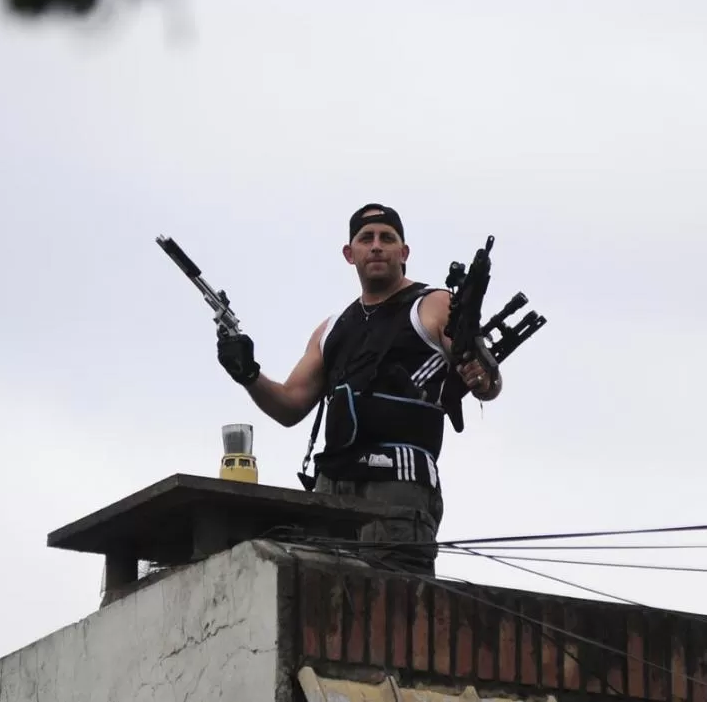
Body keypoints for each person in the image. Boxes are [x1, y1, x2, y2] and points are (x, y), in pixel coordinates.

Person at [215, 203, 503, 575]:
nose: (377, 246)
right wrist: (249, 374)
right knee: (321, 607)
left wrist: (483, 380)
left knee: (395, 606)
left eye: (388, 238)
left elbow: (479, 368)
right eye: (366, 239)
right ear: (350, 254)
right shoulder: (331, 328)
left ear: (405, 252)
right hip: (331, 491)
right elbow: (290, 405)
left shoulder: (432, 305)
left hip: (397, 489)